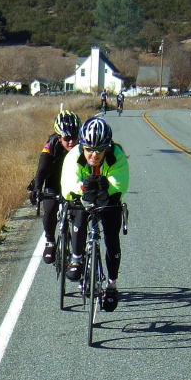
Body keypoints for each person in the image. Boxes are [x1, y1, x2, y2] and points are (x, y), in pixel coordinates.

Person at [61, 117, 129, 312]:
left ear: (108, 147)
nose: (94, 154)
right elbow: (68, 183)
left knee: (111, 236)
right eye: (89, 149)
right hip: (83, 196)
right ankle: (76, 258)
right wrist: (82, 188)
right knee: (79, 216)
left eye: (100, 149)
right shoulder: (74, 155)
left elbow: (120, 184)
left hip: (108, 198)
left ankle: (112, 285)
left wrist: (107, 190)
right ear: (82, 146)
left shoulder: (116, 155)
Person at [29, 111, 82, 263]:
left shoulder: (84, 145)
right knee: (50, 209)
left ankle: (79, 250)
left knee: (78, 214)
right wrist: (37, 188)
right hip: (55, 180)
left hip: (74, 183)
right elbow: (42, 168)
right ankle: (50, 241)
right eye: (67, 138)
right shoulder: (51, 143)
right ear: (59, 137)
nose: (71, 142)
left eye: (74, 137)